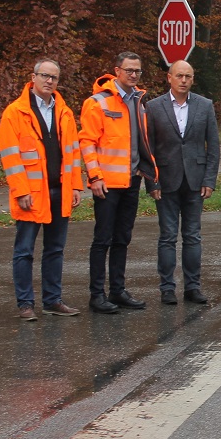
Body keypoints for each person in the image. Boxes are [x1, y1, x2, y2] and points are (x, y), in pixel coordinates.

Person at [0, 59, 84, 320]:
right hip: (31, 194)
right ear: (32, 77)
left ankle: (52, 300)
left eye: (54, 77)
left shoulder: (64, 112)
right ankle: (25, 304)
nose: (49, 81)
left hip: (61, 190)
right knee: (24, 250)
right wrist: (21, 191)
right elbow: (10, 158)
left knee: (55, 249)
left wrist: (76, 185)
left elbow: (73, 152)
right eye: (45, 76)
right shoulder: (15, 112)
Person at [80, 51, 160, 314]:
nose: (134, 75)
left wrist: (143, 172)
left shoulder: (138, 101)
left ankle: (117, 290)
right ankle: (97, 295)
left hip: (131, 181)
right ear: (117, 71)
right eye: (129, 70)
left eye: (137, 71)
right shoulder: (98, 102)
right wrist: (95, 177)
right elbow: (87, 142)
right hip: (106, 184)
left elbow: (142, 140)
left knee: (122, 239)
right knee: (102, 239)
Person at [145, 60, 219, 305]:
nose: (184, 80)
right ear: (169, 78)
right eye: (179, 76)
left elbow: (213, 146)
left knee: (193, 236)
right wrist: (152, 183)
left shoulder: (205, 105)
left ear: (193, 78)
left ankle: (193, 287)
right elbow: (149, 148)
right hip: (166, 180)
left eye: (188, 76)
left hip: (196, 180)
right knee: (167, 236)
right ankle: (167, 288)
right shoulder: (154, 107)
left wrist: (210, 178)